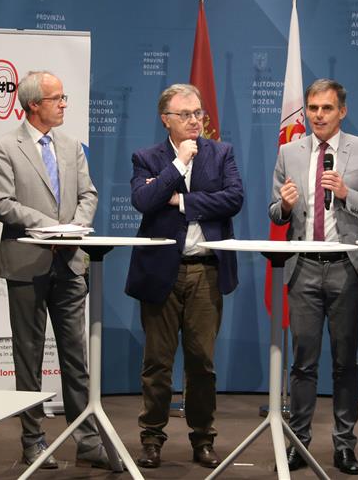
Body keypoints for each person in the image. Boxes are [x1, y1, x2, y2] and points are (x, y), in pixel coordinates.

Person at [0, 71, 110, 470]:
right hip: (27, 263)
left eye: (64, 97)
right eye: (57, 98)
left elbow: (89, 194)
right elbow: (3, 204)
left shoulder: (71, 146)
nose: (64, 104)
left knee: (76, 356)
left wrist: (74, 228)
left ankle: (86, 440)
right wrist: (50, 228)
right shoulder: (4, 147)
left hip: (70, 262)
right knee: (29, 355)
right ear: (34, 105)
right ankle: (33, 439)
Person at [269, 79, 358, 475]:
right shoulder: (289, 152)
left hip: (345, 267)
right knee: (303, 362)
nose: (318, 115)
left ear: (342, 111)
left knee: (345, 362)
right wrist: (285, 207)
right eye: (313, 108)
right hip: (302, 266)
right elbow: (275, 212)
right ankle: (299, 443)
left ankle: (345, 446)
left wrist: (346, 193)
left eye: (327, 108)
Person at [125, 83, 244, 469]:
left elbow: (234, 198)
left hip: (205, 272)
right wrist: (177, 166)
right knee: (157, 364)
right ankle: (151, 438)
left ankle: (203, 438)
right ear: (166, 119)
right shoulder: (147, 158)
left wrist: (181, 201)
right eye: (186, 115)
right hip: (161, 272)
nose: (195, 121)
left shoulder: (221, 153)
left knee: (201, 363)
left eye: (198, 113)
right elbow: (143, 201)